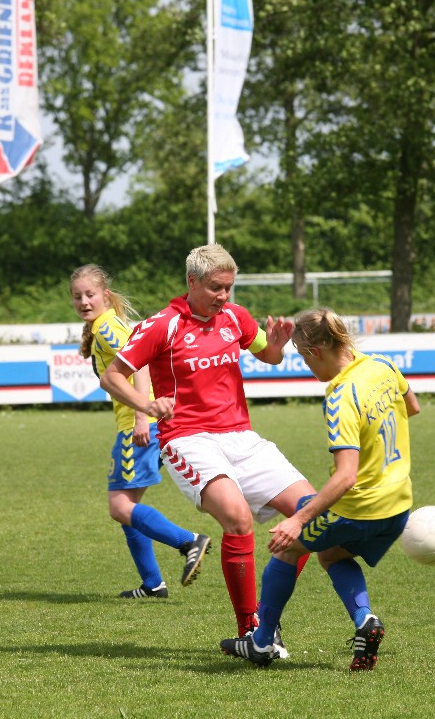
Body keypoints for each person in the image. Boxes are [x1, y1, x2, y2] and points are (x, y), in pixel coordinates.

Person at [100, 244, 316, 644]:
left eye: (229, 287)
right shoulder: (162, 325)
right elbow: (111, 376)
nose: (224, 295)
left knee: (311, 515)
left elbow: (268, 357)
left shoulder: (235, 316)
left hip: (241, 436)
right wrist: (146, 406)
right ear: (192, 281)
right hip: (188, 439)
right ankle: (249, 629)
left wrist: (276, 345)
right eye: (216, 287)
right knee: (237, 519)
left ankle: (266, 624)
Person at [219, 307, 421, 671]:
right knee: (332, 555)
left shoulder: (340, 396)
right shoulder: (383, 366)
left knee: (286, 549)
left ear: (315, 351)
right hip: (398, 505)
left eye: (302, 357)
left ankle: (261, 642)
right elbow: (413, 407)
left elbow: (346, 477)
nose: (307, 365)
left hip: (358, 508)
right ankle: (365, 622)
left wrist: (297, 519)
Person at [71, 265, 212, 598]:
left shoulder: (107, 327)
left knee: (120, 506)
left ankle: (189, 542)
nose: (84, 301)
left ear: (105, 295)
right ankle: (152, 584)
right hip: (149, 421)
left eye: (90, 294)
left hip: (140, 425)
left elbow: (141, 362)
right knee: (128, 509)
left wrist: (139, 415)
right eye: (77, 296)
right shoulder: (105, 325)